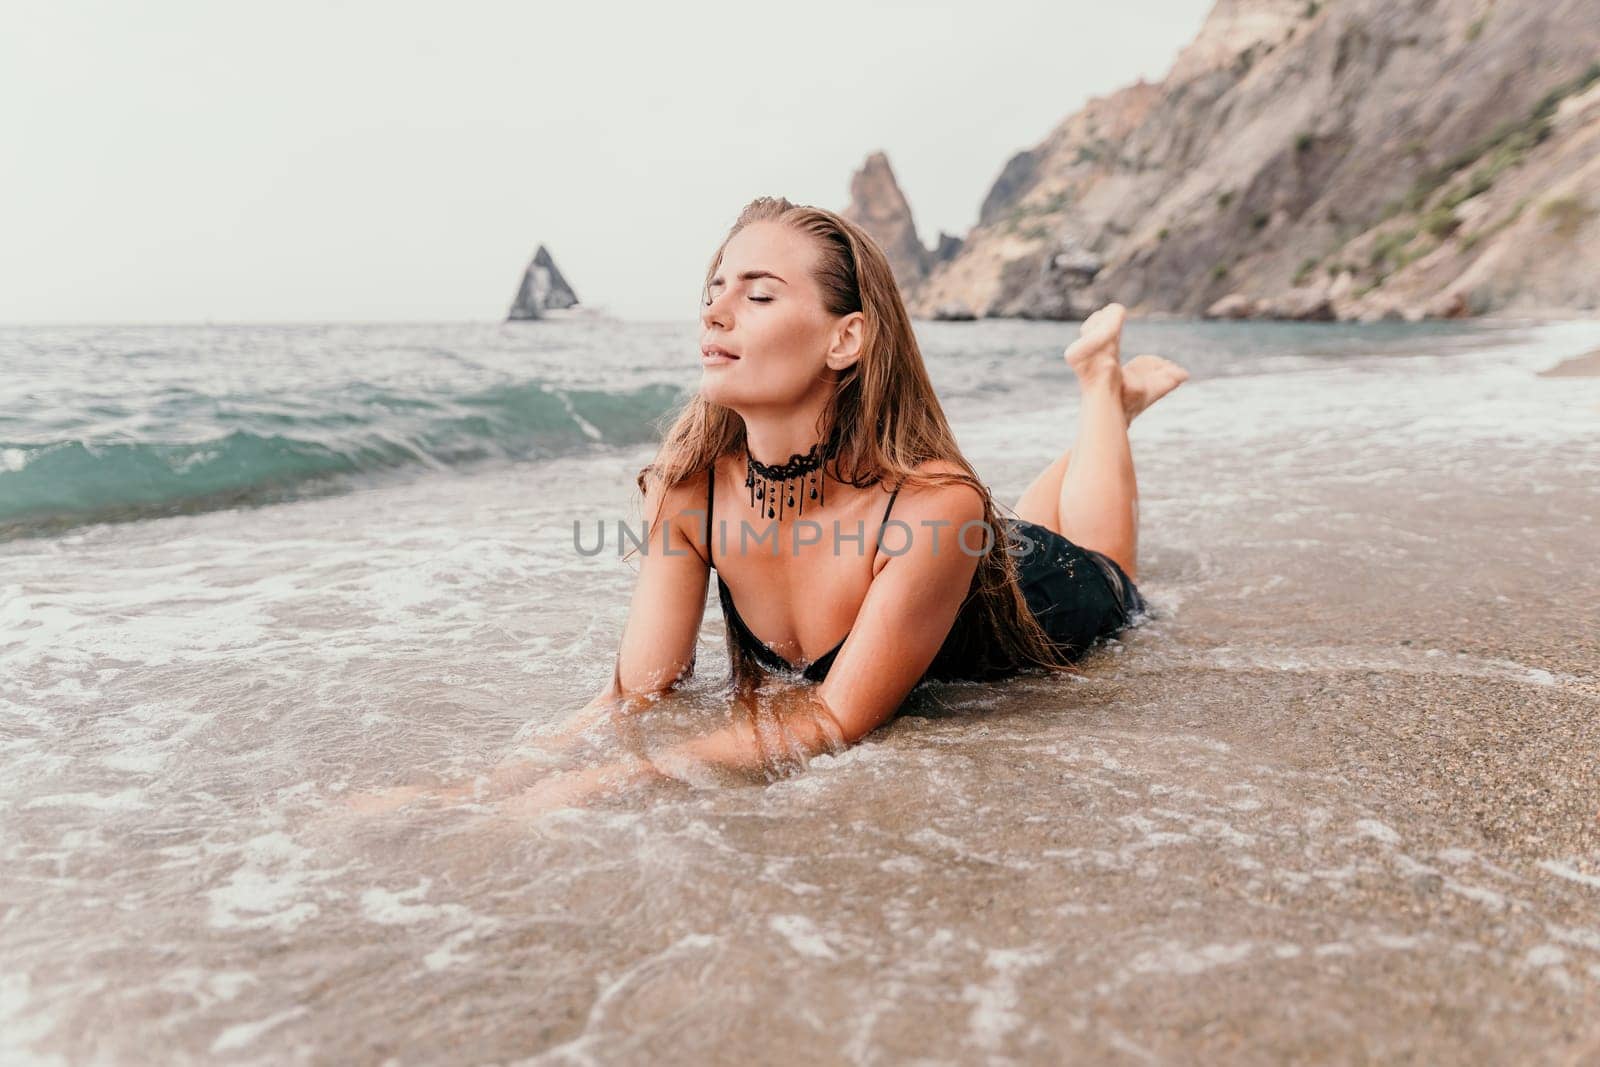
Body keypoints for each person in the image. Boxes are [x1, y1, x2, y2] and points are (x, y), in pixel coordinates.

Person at [347, 197, 1187, 816]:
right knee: (1007, 523)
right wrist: (472, 791)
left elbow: (833, 717)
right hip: (968, 549)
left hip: (1042, 596)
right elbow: (636, 692)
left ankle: (1100, 393)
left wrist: (600, 785)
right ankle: (1101, 402)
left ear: (845, 338)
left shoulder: (935, 506)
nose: (713, 310)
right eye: (714, 289)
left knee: (1107, 565)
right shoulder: (690, 488)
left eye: (756, 294)